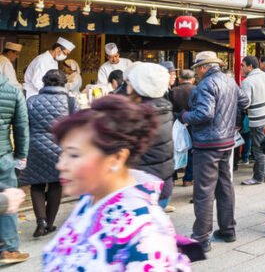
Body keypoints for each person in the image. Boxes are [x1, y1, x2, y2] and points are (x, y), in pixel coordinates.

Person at [43, 96, 191, 270]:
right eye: (63, 153)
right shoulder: (91, 200)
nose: (61, 164)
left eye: (74, 155)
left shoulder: (146, 233)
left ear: (117, 158)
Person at [182, 51, 249, 251]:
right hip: (226, 141)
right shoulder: (230, 81)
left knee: (204, 191)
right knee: (224, 185)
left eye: (197, 69)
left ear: (203, 67)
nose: (197, 73)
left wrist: (185, 116)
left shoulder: (205, 85)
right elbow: (244, 102)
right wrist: (232, 121)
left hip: (207, 143)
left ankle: (201, 238)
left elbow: (204, 113)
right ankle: (228, 229)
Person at [18, 70, 74, 238]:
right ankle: (49, 224)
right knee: (56, 184)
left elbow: (24, 125)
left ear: (44, 82)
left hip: (35, 146)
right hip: (60, 148)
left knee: (36, 184)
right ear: (64, 83)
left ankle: (40, 221)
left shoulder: (32, 101)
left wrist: (21, 149)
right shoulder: (69, 102)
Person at [125, 63, 175, 211]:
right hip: (163, 185)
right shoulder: (164, 107)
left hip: (140, 188)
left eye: (129, 81)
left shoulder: (137, 115)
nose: (127, 83)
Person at [0, 64, 28, 264]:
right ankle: (9, 249)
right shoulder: (12, 91)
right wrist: (20, 155)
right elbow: (21, 127)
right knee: (8, 200)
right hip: (3, 156)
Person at [240, 56, 265, 186]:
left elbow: (245, 103)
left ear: (250, 66)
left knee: (258, 149)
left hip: (256, 119)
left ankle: (258, 177)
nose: (241, 68)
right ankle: (264, 175)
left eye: (243, 65)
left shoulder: (247, 81)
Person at [170, 69, 197, 186]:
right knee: (192, 151)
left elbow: (169, 109)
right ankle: (188, 178)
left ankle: (172, 176)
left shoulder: (172, 91)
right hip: (192, 124)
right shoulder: (197, 90)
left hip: (175, 125)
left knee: (175, 150)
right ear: (193, 79)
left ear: (180, 79)